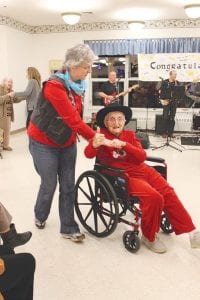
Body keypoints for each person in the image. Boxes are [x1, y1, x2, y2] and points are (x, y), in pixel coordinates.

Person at [84, 103, 200, 253]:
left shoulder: (130, 136)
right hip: (122, 176)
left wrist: (125, 145)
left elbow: (141, 156)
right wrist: (93, 144)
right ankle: (149, 237)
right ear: (106, 123)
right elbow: (88, 154)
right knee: (155, 197)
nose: (116, 123)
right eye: (111, 119)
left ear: (125, 121)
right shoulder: (101, 137)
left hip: (142, 170)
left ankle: (191, 232)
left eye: (120, 119)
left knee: (168, 192)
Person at [28, 43, 102, 242]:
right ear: (73, 65)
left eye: (89, 66)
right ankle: (40, 214)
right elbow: (71, 118)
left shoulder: (78, 86)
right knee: (49, 183)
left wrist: (92, 132)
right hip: (43, 141)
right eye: (86, 66)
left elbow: (76, 117)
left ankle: (68, 227)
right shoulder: (54, 86)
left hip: (66, 141)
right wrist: (93, 137)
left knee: (68, 185)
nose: (89, 70)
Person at [0, 78, 23, 151]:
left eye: (11, 82)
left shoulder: (11, 91)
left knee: (7, 130)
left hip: (8, 114)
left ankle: (5, 145)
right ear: (4, 82)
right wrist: (8, 95)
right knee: (1, 131)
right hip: (1, 114)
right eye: (9, 82)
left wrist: (24, 96)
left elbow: (16, 100)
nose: (10, 83)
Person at [159, 70, 179, 138]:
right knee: (165, 117)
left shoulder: (177, 83)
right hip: (166, 101)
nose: (175, 76)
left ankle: (171, 133)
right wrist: (163, 100)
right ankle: (164, 132)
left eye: (176, 75)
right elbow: (161, 92)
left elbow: (179, 92)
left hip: (174, 102)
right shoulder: (165, 82)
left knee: (172, 117)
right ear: (170, 75)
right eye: (174, 75)